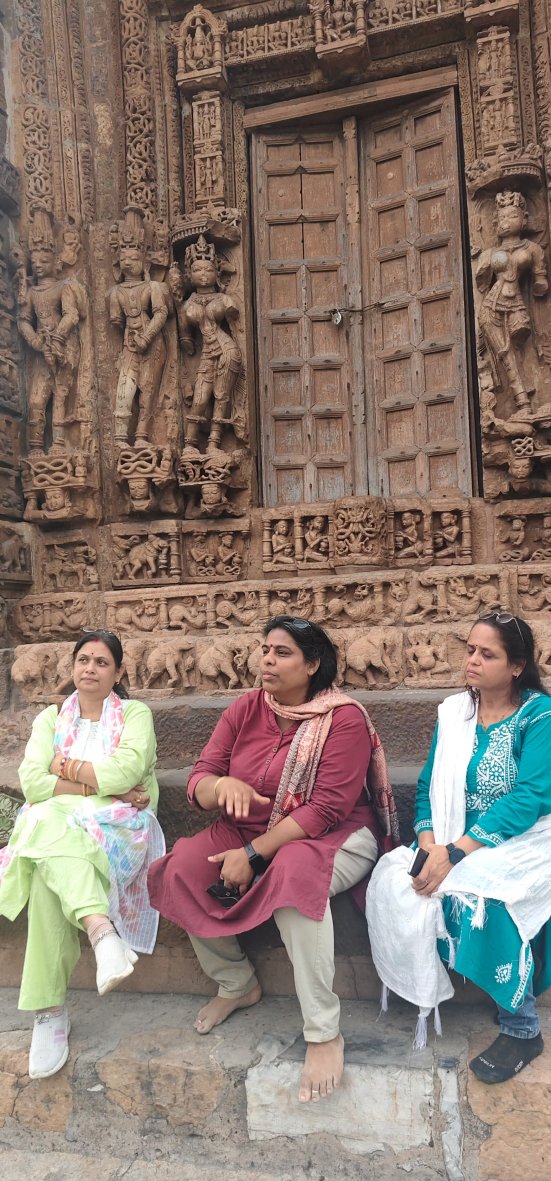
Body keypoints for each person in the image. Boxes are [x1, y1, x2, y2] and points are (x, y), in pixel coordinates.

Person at [148, 616, 399, 1103]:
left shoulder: (343, 719)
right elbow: (200, 778)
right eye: (265, 649)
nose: (267, 659)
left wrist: (252, 854)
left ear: (313, 664)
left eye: (282, 653)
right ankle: (236, 983)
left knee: (293, 875)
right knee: (180, 866)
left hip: (333, 836)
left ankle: (323, 1033)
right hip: (245, 830)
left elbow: (325, 810)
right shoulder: (246, 709)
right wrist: (221, 786)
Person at [366, 611, 551, 1083]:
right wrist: (430, 845)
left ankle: (522, 1026)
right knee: (397, 879)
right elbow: (428, 785)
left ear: (516, 666)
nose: (472, 660)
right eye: (470, 649)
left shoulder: (538, 716)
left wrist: (457, 853)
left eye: (487, 654)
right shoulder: (454, 712)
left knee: (483, 898)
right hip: (453, 835)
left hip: (526, 836)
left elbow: (530, 797)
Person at [0, 630, 164, 1080]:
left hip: (118, 828)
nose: (90, 668)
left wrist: (64, 769)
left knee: (44, 843)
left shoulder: (134, 715)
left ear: (119, 672)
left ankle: (49, 1011)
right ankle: (100, 930)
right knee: (48, 840)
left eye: (101, 662)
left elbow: (126, 771)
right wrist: (98, 785)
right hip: (61, 824)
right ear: (72, 667)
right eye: (83, 660)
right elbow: (32, 783)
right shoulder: (51, 718)